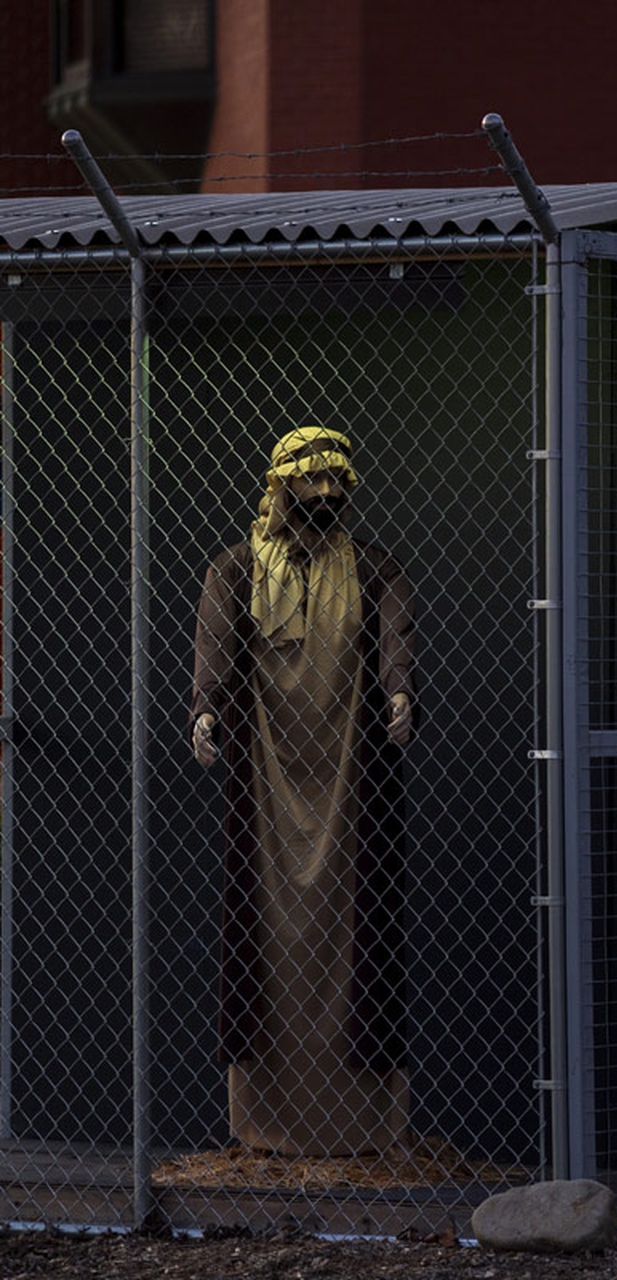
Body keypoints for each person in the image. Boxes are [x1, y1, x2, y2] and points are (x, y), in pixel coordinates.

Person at [191, 426, 417, 1157]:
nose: (324, 493)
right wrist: (204, 708)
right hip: (266, 774)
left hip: (350, 774)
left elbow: (395, 636)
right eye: (310, 480)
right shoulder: (236, 569)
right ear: (281, 486)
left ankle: (364, 1131)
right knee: (259, 932)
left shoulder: (374, 569)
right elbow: (216, 646)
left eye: (335, 482)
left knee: (362, 924)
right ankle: (266, 1129)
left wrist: (399, 690)